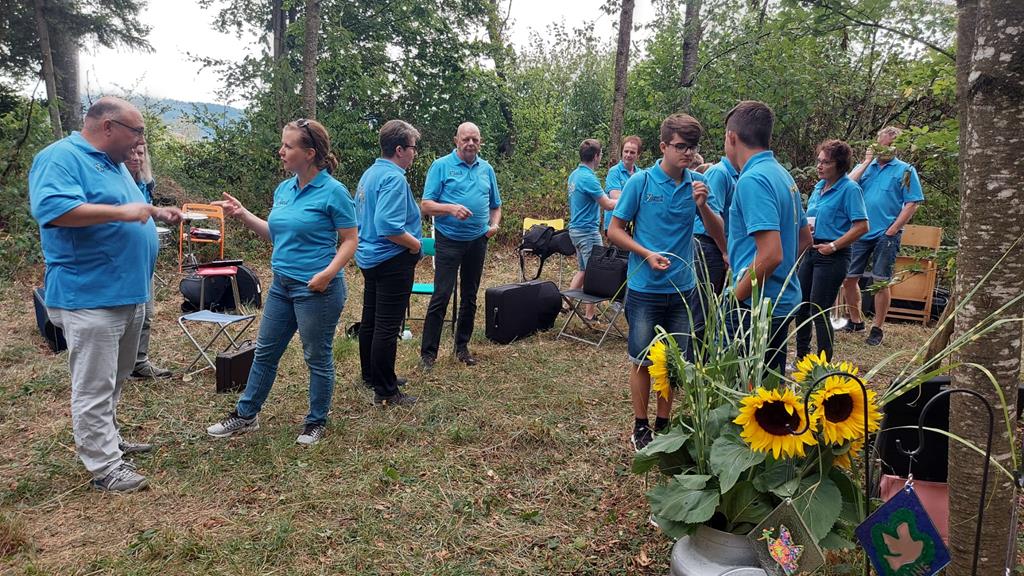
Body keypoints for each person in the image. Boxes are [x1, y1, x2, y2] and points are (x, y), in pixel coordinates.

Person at [28, 96, 183, 492]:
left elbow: (133, 209)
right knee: (93, 384)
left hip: (127, 292)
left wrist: (154, 212)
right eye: (137, 132)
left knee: (114, 378)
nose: (139, 141)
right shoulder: (61, 157)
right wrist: (122, 213)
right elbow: (54, 211)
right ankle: (104, 467)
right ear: (108, 126)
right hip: (90, 294)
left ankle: (109, 439)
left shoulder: (115, 165)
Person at [206, 118, 357, 446]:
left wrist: (328, 273)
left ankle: (316, 421)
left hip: (318, 289)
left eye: (288, 146)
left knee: (317, 356)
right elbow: (277, 235)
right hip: (282, 285)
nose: (281, 151)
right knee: (265, 353)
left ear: (309, 153)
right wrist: (243, 214)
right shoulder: (285, 189)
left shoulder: (334, 191)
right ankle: (247, 415)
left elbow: (349, 240)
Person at [607, 114, 720, 451]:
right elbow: (613, 231)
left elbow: (719, 236)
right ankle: (641, 426)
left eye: (693, 147)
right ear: (663, 147)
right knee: (641, 360)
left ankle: (664, 423)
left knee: (672, 363)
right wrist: (646, 253)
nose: (687, 153)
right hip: (644, 289)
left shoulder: (695, 186)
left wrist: (705, 207)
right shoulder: (640, 183)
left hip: (683, 291)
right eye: (680, 146)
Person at [724, 100, 812, 376]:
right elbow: (805, 239)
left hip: (756, 308)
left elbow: (771, 255)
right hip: (779, 302)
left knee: (746, 394)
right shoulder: (781, 174)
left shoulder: (753, 180)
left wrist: (734, 298)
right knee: (769, 393)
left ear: (732, 137)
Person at [418, 122, 502, 370]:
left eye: (475, 140)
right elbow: (426, 205)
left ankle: (461, 347)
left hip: (478, 240)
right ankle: (428, 354)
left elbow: (495, 206)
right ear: (456, 140)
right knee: (442, 294)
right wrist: (450, 209)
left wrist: (494, 225)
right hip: (449, 239)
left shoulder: (486, 169)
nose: (470, 144)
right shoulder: (441, 166)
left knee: (470, 296)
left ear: (480, 142)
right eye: (466, 139)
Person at [355, 119, 423, 407]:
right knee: (387, 326)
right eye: (412, 148)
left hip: (368, 257)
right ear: (399, 149)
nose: (414, 153)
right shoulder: (394, 177)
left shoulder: (370, 174)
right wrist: (416, 245)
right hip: (390, 259)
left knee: (370, 320)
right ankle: (386, 391)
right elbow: (388, 225)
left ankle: (372, 374)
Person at [841, 126, 924, 346]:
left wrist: (893, 230)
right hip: (860, 229)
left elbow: (912, 203)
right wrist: (867, 161)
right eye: (880, 144)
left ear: (897, 147)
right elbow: (846, 184)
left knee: (880, 281)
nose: (883, 148)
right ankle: (856, 320)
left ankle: (877, 328)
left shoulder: (905, 170)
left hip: (886, 233)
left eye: (888, 145)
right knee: (849, 278)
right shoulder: (865, 168)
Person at [794, 140, 868, 361]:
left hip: (833, 254)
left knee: (819, 310)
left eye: (826, 162)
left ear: (840, 165)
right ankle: (802, 358)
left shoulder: (850, 189)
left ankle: (823, 362)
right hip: (811, 250)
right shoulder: (818, 187)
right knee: (801, 306)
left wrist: (834, 245)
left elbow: (862, 226)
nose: (820, 166)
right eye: (819, 161)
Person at [124, 143, 172, 380]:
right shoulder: (115, 182)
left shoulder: (145, 183)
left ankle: (139, 362)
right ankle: (119, 367)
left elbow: (145, 212)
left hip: (145, 262)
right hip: (123, 262)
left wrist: (160, 213)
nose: (136, 157)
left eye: (141, 153)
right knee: (126, 315)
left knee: (147, 312)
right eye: (131, 152)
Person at [688, 151, 737, 357]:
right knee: (701, 310)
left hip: (718, 247)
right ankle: (693, 363)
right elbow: (711, 220)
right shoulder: (719, 173)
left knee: (710, 309)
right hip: (708, 246)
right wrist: (725, 250)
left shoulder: (736, 174)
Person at [568, 139, 617, 319]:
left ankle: (564, 305)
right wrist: (629, 200)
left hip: (575, 230)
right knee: (595, 273)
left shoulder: (574, 174)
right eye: (600, 154)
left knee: (583, 270)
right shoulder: (589, 178)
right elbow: (608, 204)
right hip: (587, 231)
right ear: (596, 156)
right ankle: (590, 315)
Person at [602, 136, 641, 236]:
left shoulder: (641, 174)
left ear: (638, 155)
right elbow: (616, 196)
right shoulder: (614, 171)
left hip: (634, 225)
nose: (628, 155)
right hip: (615, 225)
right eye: (626, 151)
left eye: (632, 152)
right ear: (622, 152)